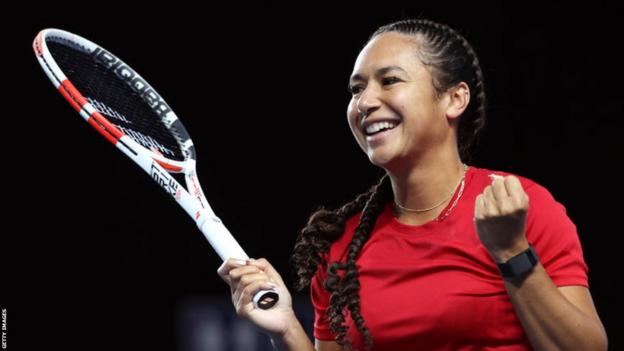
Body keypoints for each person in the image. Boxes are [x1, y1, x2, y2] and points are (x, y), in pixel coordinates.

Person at [217, 19, 608, 351]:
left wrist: (512, 251)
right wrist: (287, 330)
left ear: (454, 99)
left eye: (389, 81)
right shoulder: (341, 246)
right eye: (356, 89)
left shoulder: (518, 206)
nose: (365, 101)